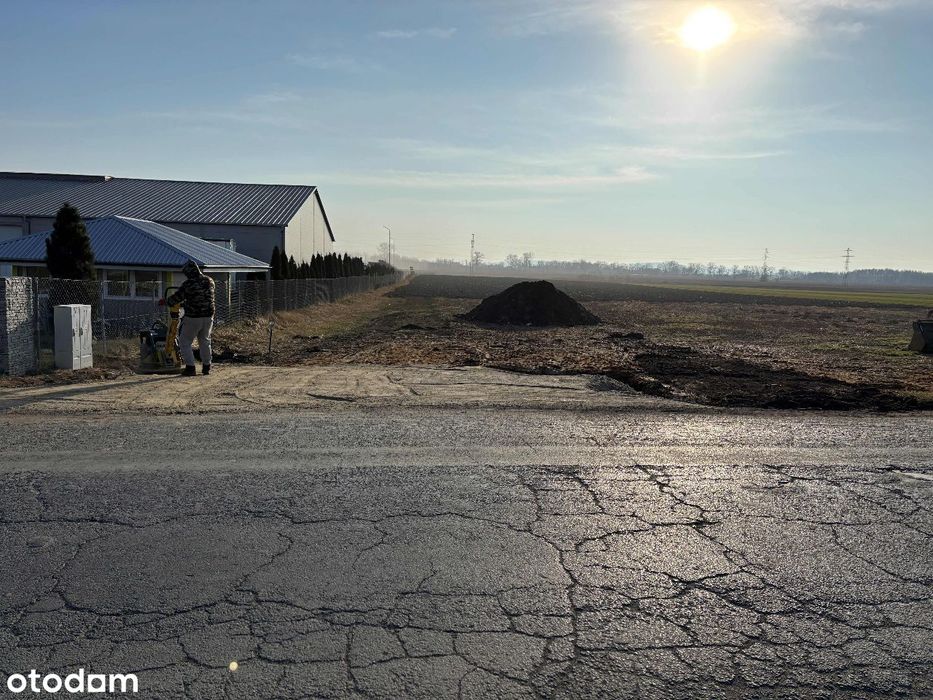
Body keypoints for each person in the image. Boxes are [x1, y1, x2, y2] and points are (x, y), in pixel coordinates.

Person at [164, 260, 216, 376]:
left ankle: (190, 367)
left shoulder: (189, 284)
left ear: (189, 272)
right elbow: (202, 298)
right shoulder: (210, 281)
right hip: (208, 316)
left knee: (185, 342)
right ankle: (207, 367)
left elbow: (177, 298)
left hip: (193, 317)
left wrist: (166, 302)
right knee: (205, 341)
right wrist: (186, 304)